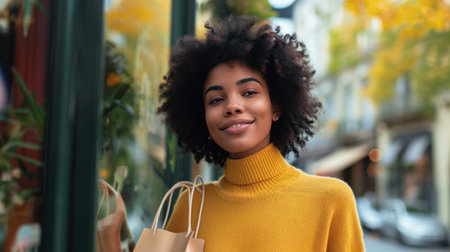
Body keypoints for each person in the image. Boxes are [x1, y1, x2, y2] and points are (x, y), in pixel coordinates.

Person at [159, 15, 365, 251]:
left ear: (275, 107)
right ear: (202, 118)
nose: (232, 106)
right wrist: (113, 236)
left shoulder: (331, 200)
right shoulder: (192, 205)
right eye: (216, 99)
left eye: (249, 92)